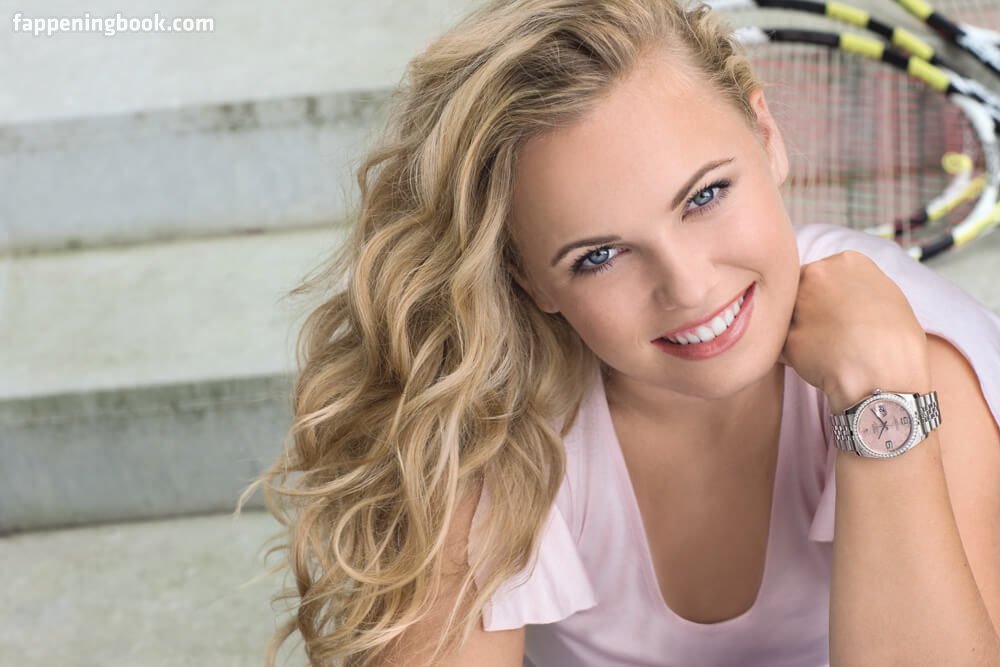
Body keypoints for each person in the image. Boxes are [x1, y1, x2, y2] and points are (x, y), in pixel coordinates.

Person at [238, 0, 1000, 665]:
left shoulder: (915, 354)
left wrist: (880, 400)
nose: (689, 286)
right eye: (599, 255)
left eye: (706, 195)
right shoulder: (482, 413)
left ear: (766, 134)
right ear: (526, 277)